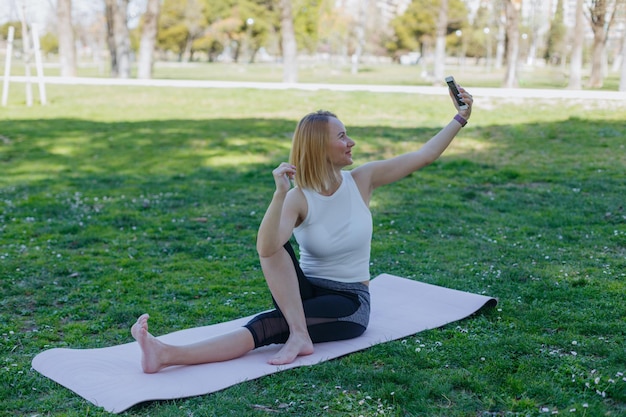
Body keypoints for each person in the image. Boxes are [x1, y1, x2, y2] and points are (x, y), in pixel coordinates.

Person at [131, 83, 474, 373]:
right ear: (319, 148)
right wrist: (279, 195)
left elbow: (425, 155)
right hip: (305, 289)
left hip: (349, 300)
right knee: (274, 247)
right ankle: (297, 332)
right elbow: (266, 248)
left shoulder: (363, 180)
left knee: (269, 325)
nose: (351, 142)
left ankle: (168, 355)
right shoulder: (298, 197)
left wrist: (460, 117)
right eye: (342, 136)